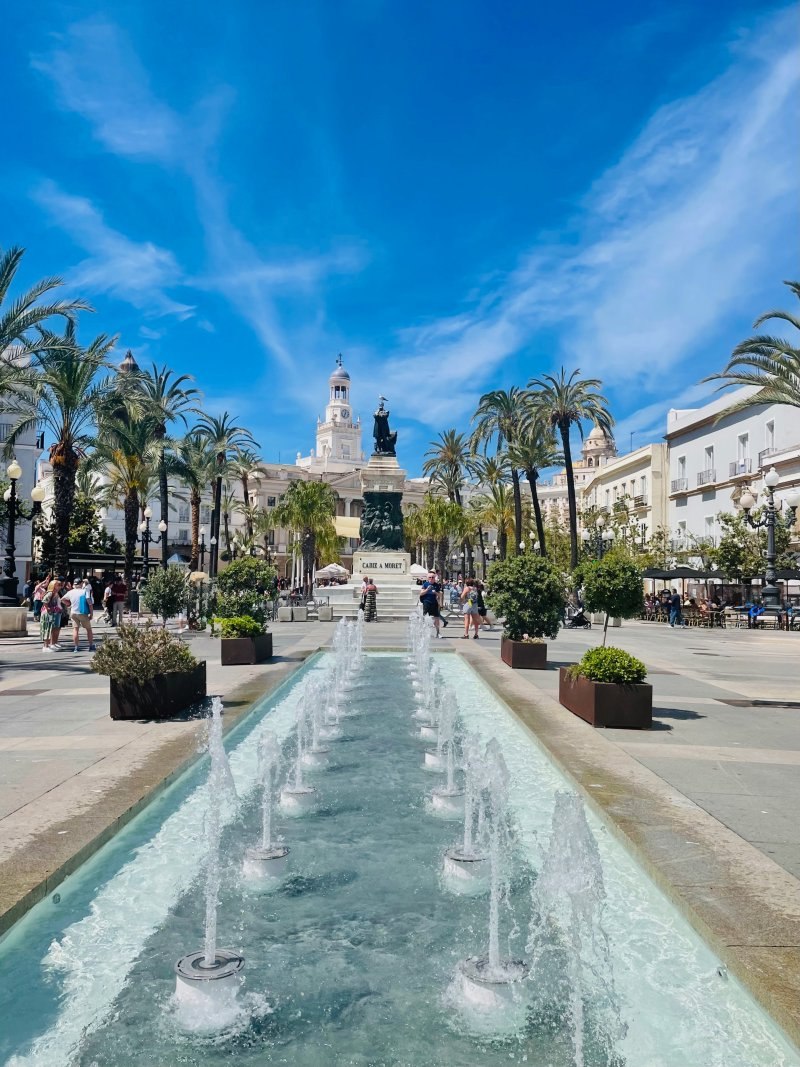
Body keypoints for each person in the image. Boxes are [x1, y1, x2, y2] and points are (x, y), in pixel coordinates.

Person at [62, 578, 96, 652]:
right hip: (83, 612)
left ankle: (76, 647)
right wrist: (91, 613)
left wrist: (68, 604)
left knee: (75, 629)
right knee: (88, 629)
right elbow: (90, 603)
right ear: (81, 584)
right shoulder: (85, 592)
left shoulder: (70, 592)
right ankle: (91, 645)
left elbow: (62, 599)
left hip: (73, 612)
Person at [419, 571, 447, 637]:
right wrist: (427, 590)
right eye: (430, 577)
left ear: (435, 578)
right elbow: (421, 593)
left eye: (433, 577)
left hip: (434, 603)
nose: (431, 578)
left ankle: (438, 632)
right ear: (428, 578)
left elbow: (440, 595)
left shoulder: (436, 585)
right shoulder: (425, 584)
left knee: (436, 618)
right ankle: (423, 632)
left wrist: (436, 593)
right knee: (424, 617)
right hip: (426, 602)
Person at [40, 579, 63, 651]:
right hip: (47, 613)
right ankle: (45, 646)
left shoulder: (55, 593)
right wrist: (48, 609)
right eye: (58, 585)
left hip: (52, 613)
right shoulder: (50, 593)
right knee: (47, 629)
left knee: (50, 629)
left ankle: (48, 645)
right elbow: (45, 601)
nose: (60, 587)